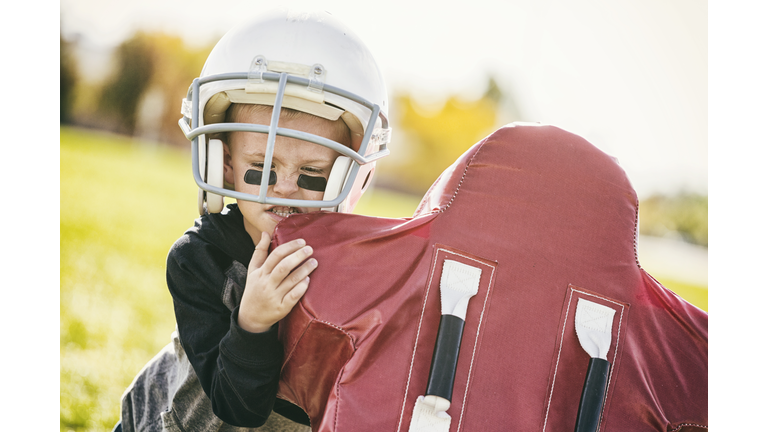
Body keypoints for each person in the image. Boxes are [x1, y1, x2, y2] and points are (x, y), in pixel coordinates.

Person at [117, 9, 392, 431]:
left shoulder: (361, 273)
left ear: (351, 174)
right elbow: (237, 409)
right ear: (223, 164)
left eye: (312, 175)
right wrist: (253, 322)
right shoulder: (198, 260)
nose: (283, 188)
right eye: (263, 168)